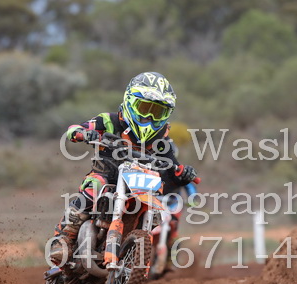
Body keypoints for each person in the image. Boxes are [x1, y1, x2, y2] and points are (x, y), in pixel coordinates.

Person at [49, 72, 198, 266]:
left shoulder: (162, 138)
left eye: (157, 112)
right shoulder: (109, 120)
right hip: (106, 174)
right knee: (94, 186)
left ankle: (137, 254)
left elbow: (173, 165)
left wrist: (183, 173)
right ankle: (64, 239)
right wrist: (83, 133)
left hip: (139, 185)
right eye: (144, 108)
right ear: (130, 102)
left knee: (158, 207)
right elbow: (75, 129)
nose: (149, 116)